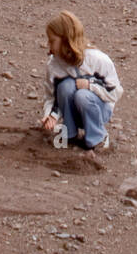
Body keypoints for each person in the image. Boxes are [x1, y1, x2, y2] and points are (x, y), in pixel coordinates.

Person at [40, 10, 122, 163]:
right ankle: (69, 133)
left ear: (66, 40)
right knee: (65, 87)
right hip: (72, 109)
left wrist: (90, 85)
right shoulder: (54, 64)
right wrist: (50, 115)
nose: (48, 45)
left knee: (82, 95)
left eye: (52, 40)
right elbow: (51, 95)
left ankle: (96, 138)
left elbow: (115, 92)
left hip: (97, 108)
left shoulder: (97, 59)